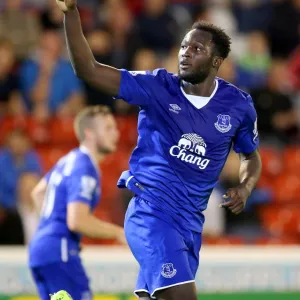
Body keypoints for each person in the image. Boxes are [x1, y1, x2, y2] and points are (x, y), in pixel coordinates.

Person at [56, 1, 262, 299]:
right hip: (151, 215)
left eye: (196, 49)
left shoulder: (239, 106)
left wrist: (245, 186)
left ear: (217, 62)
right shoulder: (156, 87)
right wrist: (70, 13)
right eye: (183, 47)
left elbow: (250, 156)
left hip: (189, 225)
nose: (185, 53)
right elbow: (88, 69)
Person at [28, 105, 125, 300]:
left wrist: (51, 230)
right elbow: (77, 221)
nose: (116, 133)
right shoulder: (84, 167)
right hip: (60, 251)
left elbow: (38, 193)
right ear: (89, 134)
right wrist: (119, 233)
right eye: (108, 128)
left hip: (41, 250)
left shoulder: (68, 160)